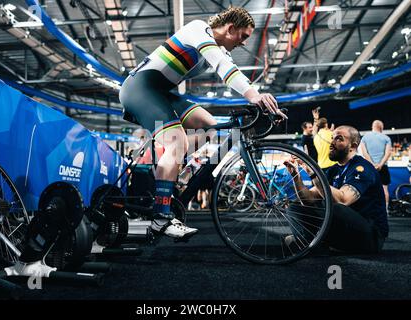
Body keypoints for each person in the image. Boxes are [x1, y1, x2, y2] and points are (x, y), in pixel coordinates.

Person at [119, 7, 286, 239]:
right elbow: (223, 67)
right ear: (230, 28)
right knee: (177, 143)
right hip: (139, 89)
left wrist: (265, 104)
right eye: (243, 36)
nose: (244, 43)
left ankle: (180, 170)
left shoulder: (219, 48)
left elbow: (233, 72)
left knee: (209, 125)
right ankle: (160, 218)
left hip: (160, 92)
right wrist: (254, 96)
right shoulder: (199, 29)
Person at [285, 125, 388, 254]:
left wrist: (314, 174)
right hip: (346, 229)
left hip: (371, 236)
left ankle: (308, 245)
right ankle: (311, 245)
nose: (332, 143)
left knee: (336, 206)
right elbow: (308, 199)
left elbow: (343, 200)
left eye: (339, 139)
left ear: (353, 146)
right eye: (332, 138)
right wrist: (296, 176)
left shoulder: (363, 168)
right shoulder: (333, 170)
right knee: (295, 207)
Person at [359, 120, 392, 210]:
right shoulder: (386, 138)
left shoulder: (365, 137)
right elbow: (388, 153)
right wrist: (380, 164)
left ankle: (370, 209)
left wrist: (372, 164)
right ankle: (385, 210)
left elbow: (364, 152)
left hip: (369, 166)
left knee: (369, 189)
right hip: (383, 167)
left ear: (372, 127)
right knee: (384, 189)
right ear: (381, 128)